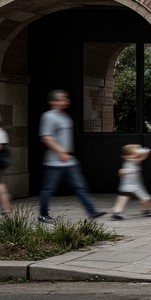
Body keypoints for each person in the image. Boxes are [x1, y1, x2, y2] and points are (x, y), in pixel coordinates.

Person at [38, 89, 105, 223]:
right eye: (62, 99)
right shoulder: (48, 116)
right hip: (54, 161)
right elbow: (46, 137)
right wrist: (60, 152)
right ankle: (43, 214)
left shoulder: (65, 117)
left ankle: (92, 211)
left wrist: (66, 154)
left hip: (68, 160)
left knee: (80, 186)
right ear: (53, 101)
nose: (65, 101)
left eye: (65, 99)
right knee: (48, 189)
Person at [111, 144, 151, 220]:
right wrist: (122, 172)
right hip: (127, 184)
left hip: (136, 185)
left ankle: (147, 210)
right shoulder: (127, 162)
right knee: (122, 198)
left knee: (145, 198)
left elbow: (147, 151)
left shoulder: (136, 160)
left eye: (134, 154)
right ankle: (117, 212)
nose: (132, 156)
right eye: (131, 155)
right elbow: (120, 172)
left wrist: (137, 151)